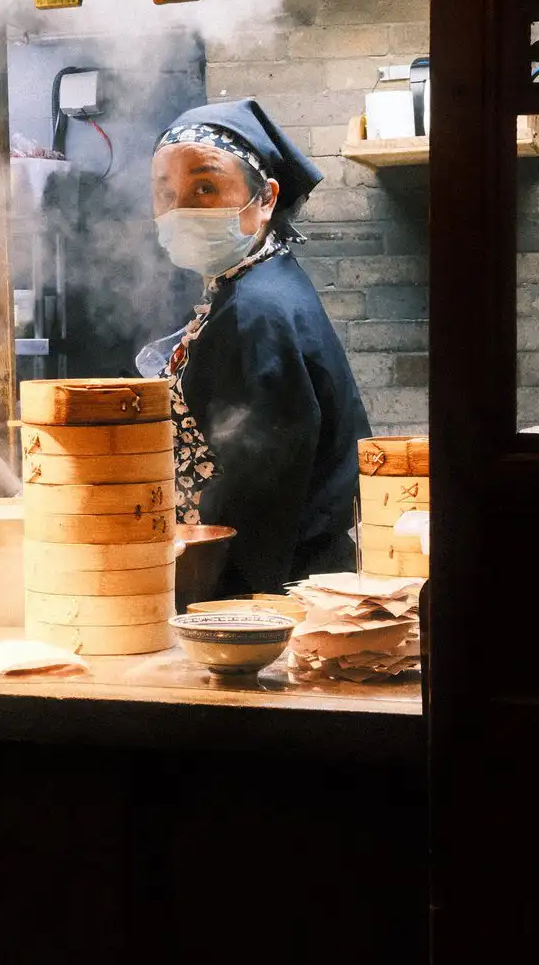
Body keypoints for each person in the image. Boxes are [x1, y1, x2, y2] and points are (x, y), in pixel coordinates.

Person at [141, 99, 369, 595]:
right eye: (165, 192)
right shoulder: (252, 283)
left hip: (271, 589)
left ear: (264, 199)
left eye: (205, 186)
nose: (180, 209)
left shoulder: (256, 309)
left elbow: (262, 495)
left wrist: (230, 609)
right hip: (277, 572)